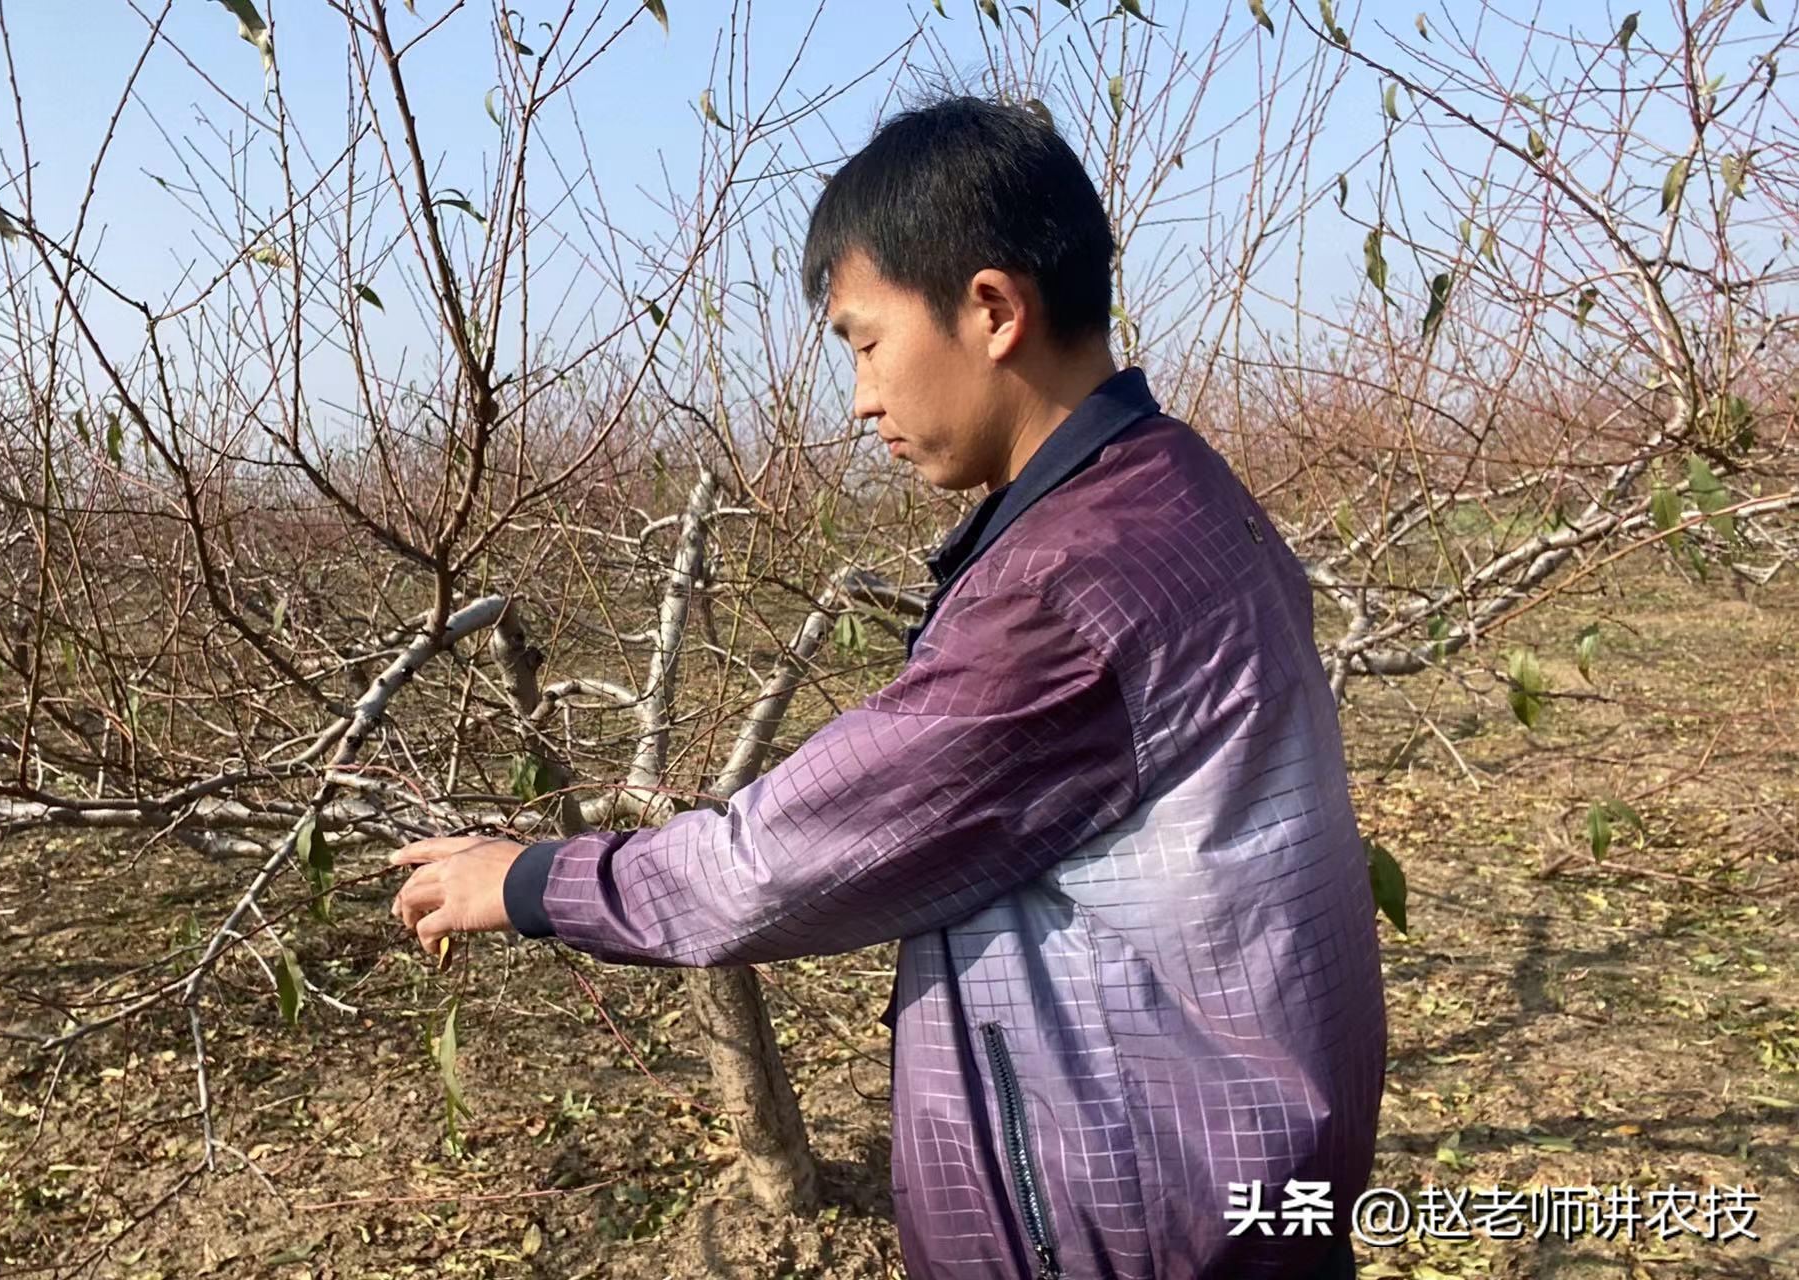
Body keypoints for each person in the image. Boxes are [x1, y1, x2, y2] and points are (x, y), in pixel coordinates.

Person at [390, 95, 1386, 1280]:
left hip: (1126, 1223)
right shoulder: (1178, 487)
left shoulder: (1068, 583)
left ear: (993, 309)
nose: (860, 397)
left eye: (864, 342)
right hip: (1239, 1178)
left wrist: (535, 877)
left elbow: (778, 859)